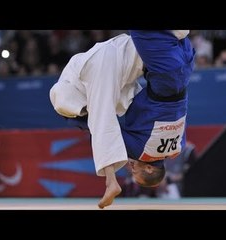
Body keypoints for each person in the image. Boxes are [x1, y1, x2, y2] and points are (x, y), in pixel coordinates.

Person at [49, 30, 195, 208]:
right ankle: (111, 182)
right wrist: (111, 178)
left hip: (181, 68)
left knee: (177, 34)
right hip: (162, 73)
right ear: (149, 168)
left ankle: (78, 108)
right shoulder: (140, 151)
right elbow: (104, 129)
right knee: (99, 118)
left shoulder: (176, 149)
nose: (130, 167)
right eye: (135, 170)